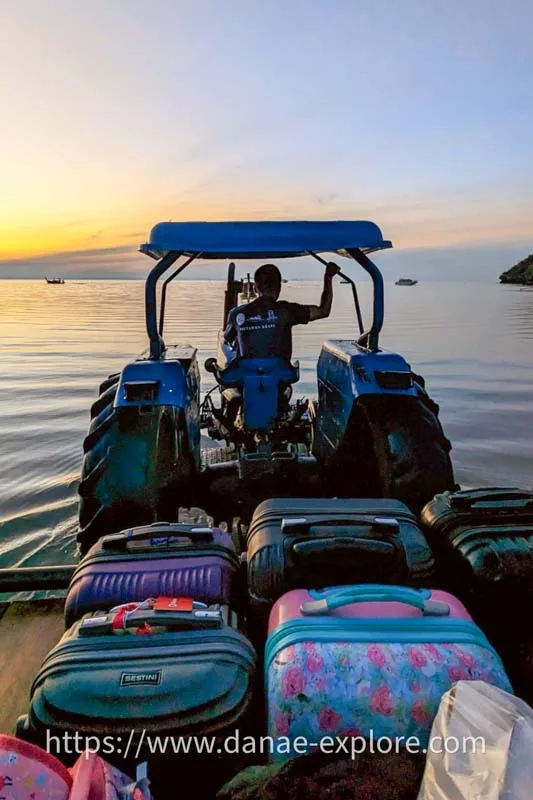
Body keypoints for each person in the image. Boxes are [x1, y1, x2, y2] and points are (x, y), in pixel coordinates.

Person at [224, 261, 340, 361]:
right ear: (279, 287)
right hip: (280, 377)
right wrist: (328, 277)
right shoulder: (288, 311)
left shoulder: (236, 314)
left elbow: (228, 338)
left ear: (255, 288)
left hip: (247, 376)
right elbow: (323, 311)